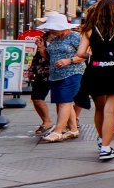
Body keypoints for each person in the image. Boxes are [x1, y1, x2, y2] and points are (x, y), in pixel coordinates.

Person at [75, 0, 114, 161]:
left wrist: (93, 56)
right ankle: (106, 148)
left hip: (95, 72)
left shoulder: (90, 29)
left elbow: (80, 53)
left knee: (99, 108)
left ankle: (101, 140)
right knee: (111, 110)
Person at [35, 12, 87, 142]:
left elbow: (86, 54)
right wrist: (42, 50)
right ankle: (73, 129)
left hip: (72, 72)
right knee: (62, 102)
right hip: (56, 74)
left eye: (52, 28)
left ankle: (58, 131)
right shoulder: (54, 39)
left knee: (65, 101)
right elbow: (50, 58)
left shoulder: (75, 37)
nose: (50, 30)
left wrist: (68, 60)